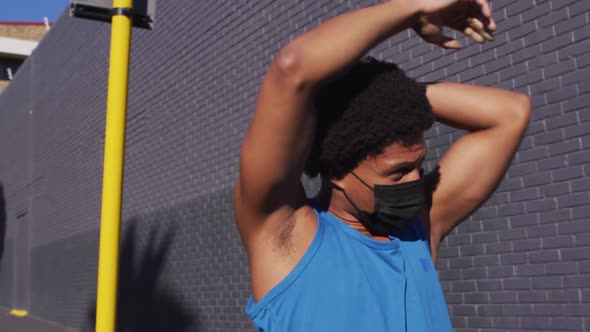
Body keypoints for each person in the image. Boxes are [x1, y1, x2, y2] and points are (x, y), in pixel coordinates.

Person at [233, 0, 531, 330]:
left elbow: (510, 114)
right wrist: (415, 8)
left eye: (419, 165)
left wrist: (392, 96)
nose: (416, 180)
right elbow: (292, 69)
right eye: (397, 172)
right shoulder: (285, 236)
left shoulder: (418, 230)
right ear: (337, 172)